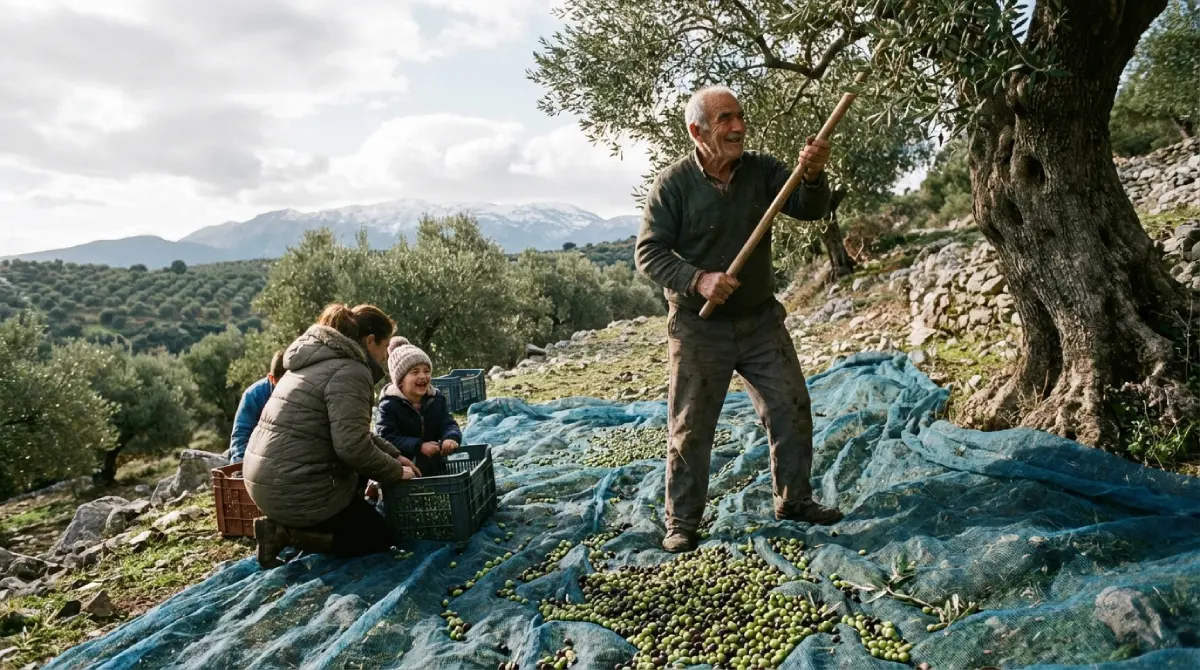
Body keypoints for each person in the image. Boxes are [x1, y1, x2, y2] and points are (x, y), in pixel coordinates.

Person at [635, 84, 844, 554]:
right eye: (725, 119)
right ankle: (682, 520)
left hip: (759, 322)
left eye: (739, 117)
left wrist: (812, 175)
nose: (737, 127)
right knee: (691, 428)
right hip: (697, 326)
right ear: (698, 130)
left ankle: (794, 500)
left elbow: (809, 210)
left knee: (791, 408)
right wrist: (698, 280)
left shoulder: (763, 170)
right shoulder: (673, 185)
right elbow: (648, 254)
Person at [244, 303, 422, 568]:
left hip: (266, 482)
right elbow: (352, 448)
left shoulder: (311, 360)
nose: (385, 357)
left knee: (362, 480)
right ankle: (287, 534)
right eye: (385, 348)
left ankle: (325, 518)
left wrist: (395, 455)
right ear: (370, 341)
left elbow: (355, 434)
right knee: (380, 538)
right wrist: (396, 471)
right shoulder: (351, 370)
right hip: (294, 488)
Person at [373, 337, 463, 479]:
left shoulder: (437, 399)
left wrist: (450, 437)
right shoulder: (388, 406)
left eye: (426, 371)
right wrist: (418, 446)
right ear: (400, 381)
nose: (423, 376)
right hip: (404, 473)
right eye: (415, 372)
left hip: (435, 467)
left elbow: (448, 423)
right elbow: (386, 438)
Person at [227, 350, 286, 464]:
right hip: (257, 457)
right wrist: (239, 467)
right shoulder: (253, 396)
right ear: (271, 378)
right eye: (281, 384)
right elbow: (241, 436)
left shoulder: (301, 391)